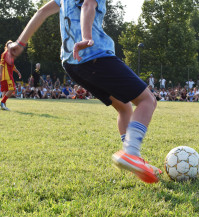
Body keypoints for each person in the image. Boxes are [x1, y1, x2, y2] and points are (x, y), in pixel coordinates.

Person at [9, 0, 160, 183]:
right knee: (148, 100)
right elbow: (88, 4)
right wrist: (86, 38)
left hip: (71, 63)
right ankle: (131, 153)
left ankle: (132, 159)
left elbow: (41, 12)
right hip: (94, 55)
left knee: (124, 107)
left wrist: (20, 42)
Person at [0, 40, 22, 110]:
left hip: (5, 76)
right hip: (7, 76)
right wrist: (0, 73)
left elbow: (12, 66)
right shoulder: (5, 54)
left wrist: (18, 72)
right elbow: (1, 64)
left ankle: (3, 106)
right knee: (12, 88)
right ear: (7, 46)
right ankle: (2, 102)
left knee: (5, 90)